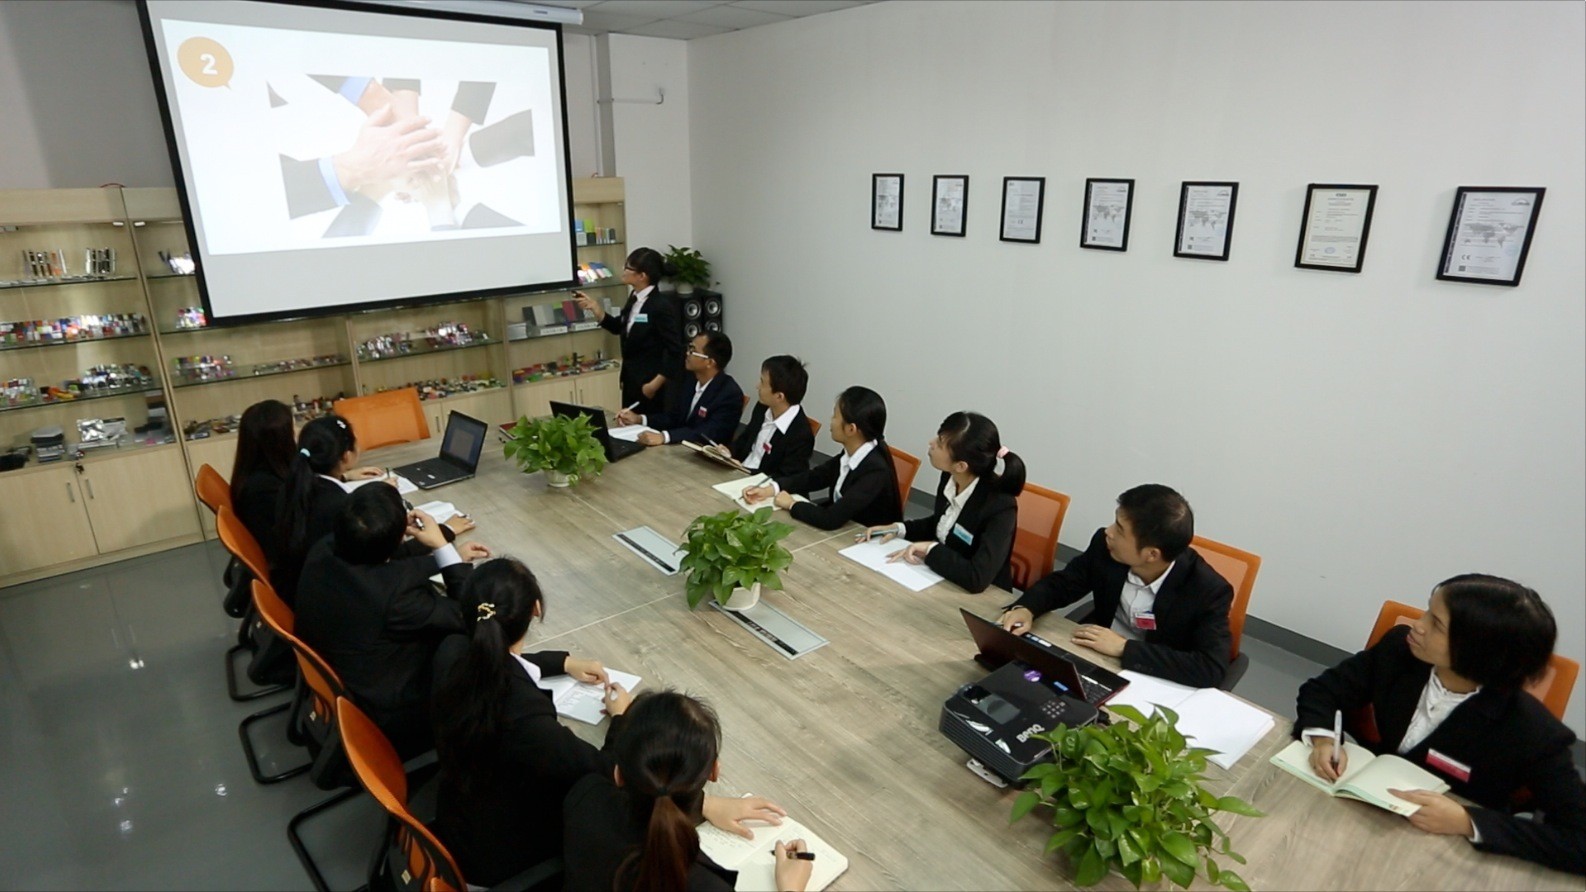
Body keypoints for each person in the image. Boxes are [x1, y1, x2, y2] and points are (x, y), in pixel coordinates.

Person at [1294, 575, 1584, 875]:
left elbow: (1579, 841)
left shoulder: (1533, 732)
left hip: (1446, 854)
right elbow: (1323, 691)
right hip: (1359, 813)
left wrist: (1467, 821)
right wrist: (1324, 739)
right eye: (1428, 611)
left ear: (1479, 651)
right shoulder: (1399, 649)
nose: (1418, 624)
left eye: (1436, 624)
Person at [431, 558, 632, 886]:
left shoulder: (451, 649)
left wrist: (562, 662)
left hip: (459, 813)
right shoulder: (525, 716)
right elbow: (606, 770)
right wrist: (621, 717)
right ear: (536, 609)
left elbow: (494, 657)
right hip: (501, 849)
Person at [295, 484, 490, 760]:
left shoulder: (327, 547)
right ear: (398, 537)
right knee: (465, 649)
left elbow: (381, 569)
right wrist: (444, 551)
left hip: (346, 676)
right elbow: (469, 615)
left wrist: (445, 552)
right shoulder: (396, 599)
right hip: (391, 712)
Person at [563, 691, 812, 892]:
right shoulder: (704, 884)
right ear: (714, 771)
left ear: (618, 774)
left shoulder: (586, 795)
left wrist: (620, 719)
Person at [998, 484, 1232, 689]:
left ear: (1152, 554)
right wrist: (1027, 608)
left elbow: (1210, 667)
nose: (1108, 532)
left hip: (1152, 675)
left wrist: (1124, 648)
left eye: (1120, 530)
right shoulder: (1106, 547)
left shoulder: (1208, 590)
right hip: (1095, 660)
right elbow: (1065, 583)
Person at [273, 413, 471, 605]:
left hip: (308, 589)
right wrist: (446, 544)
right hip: (345, 598)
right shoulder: (342, 509)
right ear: (346, 456)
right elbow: (385, 562)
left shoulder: (297, 486)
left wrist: (346, 477)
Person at [861, 412, 1025, 593]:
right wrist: (899, 528)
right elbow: (942, 523)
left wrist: (931, 548)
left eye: (939, 443)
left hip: (984, 596)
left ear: (961, 466)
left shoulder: (1000, 506)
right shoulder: (950, 476)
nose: (931, 443)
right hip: (943, 579)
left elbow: (977, 577)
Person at [742, 386, 902, 531]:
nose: (831, 421)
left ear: (851, 429)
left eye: (835, 416)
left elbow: (831, 519)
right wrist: (771, 489)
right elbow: (814, 477)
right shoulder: (852, 453)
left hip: (866, 539)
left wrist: (792, 504)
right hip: (846, 531)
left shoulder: (875, 471)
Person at [574, 247, 684, 417]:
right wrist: (595, 308)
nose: (624, 271)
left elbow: (675, 350)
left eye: (628, 268)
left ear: (642, 276)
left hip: (650, 385)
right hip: (630, 380)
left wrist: (654, 384)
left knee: (645, 425)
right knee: (627, 423)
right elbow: (619, 326)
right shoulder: (634, 297)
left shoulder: (660, 306)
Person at [616, 331, 744, 448]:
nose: (687, 353)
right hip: (680, 449)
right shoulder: (690, 381)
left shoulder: (729, 394)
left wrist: (664, 437)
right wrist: (640, 419)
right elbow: (673, 417)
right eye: (689, 348)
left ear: (709, 362)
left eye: (693, 350)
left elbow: (707, 433)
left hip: (704, 457)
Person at [229, 399, 296, 564]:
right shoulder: (263, 490)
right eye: (292, 430)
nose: (297, 433)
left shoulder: (261, 472)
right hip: (290, 567)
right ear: (281, 441)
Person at [726, 354, 814, 476]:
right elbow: (745, 439)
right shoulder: (762, 407)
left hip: (759, 482)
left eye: (762, 383)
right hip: (739, 471)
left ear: (779, 396)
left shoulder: (801, 435)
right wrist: (728, 452)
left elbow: (784, 476)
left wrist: (744, 470)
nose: (757, 386)